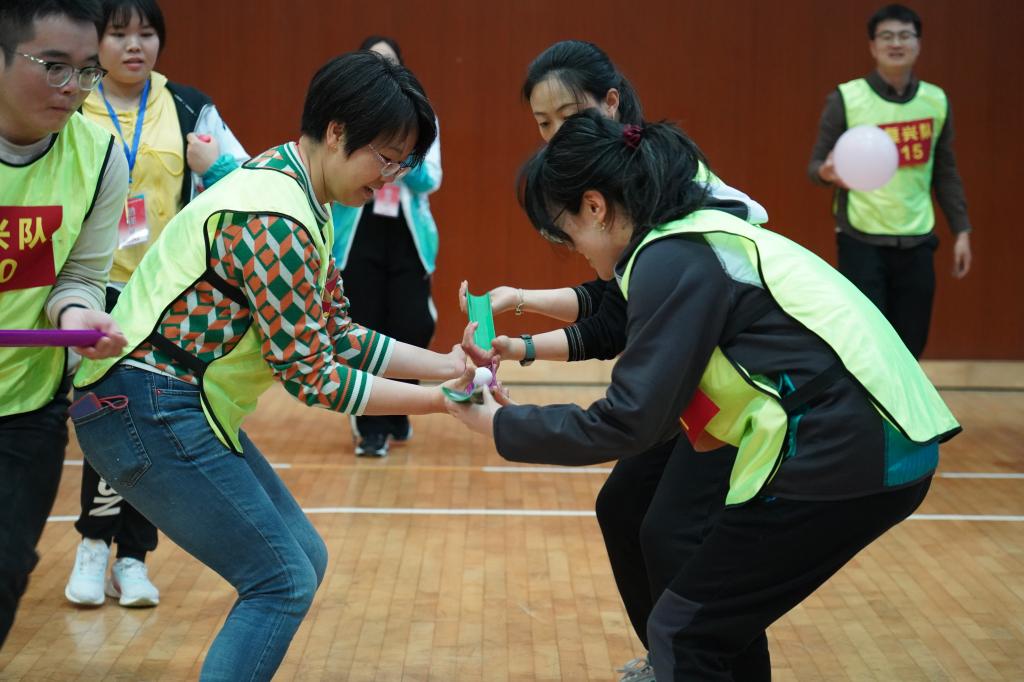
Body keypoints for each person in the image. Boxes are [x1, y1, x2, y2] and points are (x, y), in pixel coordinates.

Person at [448, 110, 960, 681]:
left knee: (685, 632)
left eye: (566, 234)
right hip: (880, 436)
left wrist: (500, 425)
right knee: (705, 625)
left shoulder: (670, 255)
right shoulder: (693, 233)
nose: (576, 251)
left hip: (851, 445)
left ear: (594, 207)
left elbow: (629, 421)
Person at [71, 51, 469, 680]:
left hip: (174, 405)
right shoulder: (276, 217)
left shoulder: (298, 191)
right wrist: (443, 402)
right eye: (387, 157)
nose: (391, 176)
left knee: (303, 559)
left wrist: (448, 366)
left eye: (403, 164)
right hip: (145, 407)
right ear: (337, 131)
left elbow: (335, 332)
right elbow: (313, 376)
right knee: (282, 580)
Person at [460, 40, 768, 681]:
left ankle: (693, 662)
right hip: (697, 385)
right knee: (624, 506)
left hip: (746, 386)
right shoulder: (622, 186)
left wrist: (499, 421)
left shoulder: (671, 186)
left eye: (568, 116)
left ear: (611, 102)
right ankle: (671, 659)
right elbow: (615, 305)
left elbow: (619, 337)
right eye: (542, 123)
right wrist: (520, 332)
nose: (554, 135)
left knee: (675, 533)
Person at [65, 0, 249, 610]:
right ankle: (95, 546)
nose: (134, 46)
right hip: (89, 287)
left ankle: (134, 559)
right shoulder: (72, 100)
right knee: (104, 412)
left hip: (166, 296)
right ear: (97, 42)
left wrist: (214, 165)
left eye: (146, 33)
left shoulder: (191, 108)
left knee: (145, 420)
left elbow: (248, 184)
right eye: (119, 34)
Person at [0, 0, 129, 647]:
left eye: (86, 71)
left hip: (26, 405)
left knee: (4, 573)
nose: (72, 88)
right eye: (52, 66)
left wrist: (79, 315)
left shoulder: (100, 155)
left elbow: (77, 274)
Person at [808, 3, 973, 359]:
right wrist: (826, 173)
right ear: (872, 46)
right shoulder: (847, 98)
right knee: (867, 340)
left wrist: (961, 229)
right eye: (886, 36)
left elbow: (945, 170)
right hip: (860, 239)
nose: (896, 43)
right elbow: (816, 166)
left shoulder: (935, 101)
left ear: (918, 44)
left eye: (904, 35)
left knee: (912, 341)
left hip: (918, 237)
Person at [332, 35, 441, 457]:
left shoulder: (422, 115)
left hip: (406, 238)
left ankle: (398, 404)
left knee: (414, 323)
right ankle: (371, 426)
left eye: (389, 63)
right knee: (365, 324)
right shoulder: (347, 119)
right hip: (358, 236)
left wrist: (398, 156)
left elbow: (431, 179)